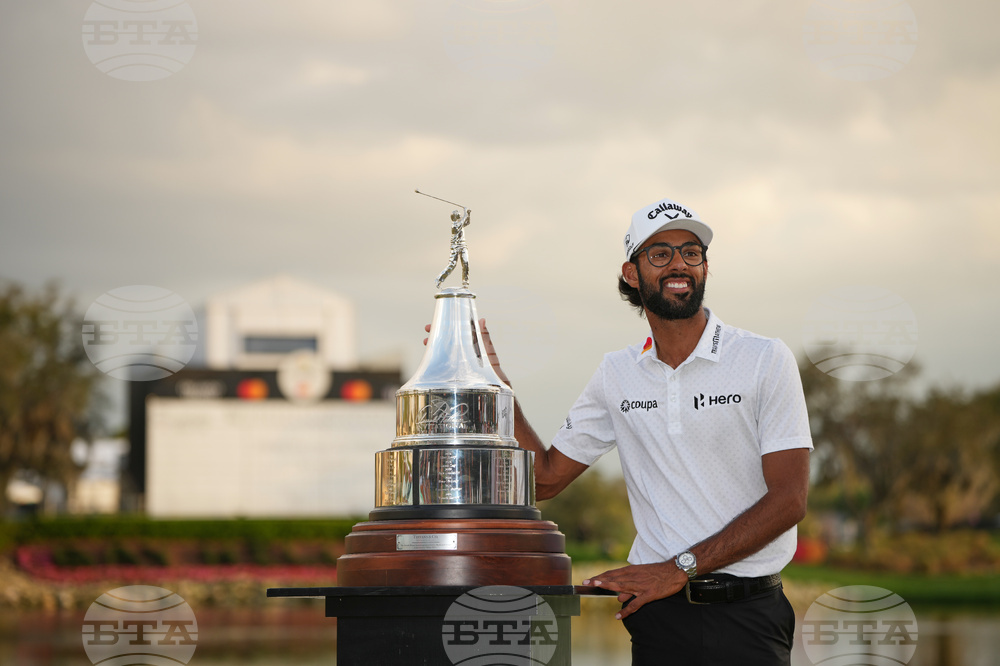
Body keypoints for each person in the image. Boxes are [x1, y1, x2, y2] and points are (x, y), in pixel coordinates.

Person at [478, 197, 813, 665]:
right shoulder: (617, 373)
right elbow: (545, 479)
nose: (679, 264)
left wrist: (679, 569)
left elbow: (790, 500)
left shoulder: (764, 358)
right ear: (631, 273)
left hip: (748, 615)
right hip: (659, 619)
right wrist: (496, 389)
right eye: (660, 253)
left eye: (691, 252)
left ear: (705, 267)